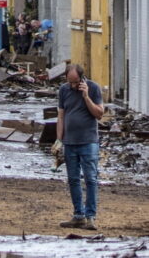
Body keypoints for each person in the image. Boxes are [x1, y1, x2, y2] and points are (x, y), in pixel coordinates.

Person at [53, 64, 104, 230]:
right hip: (70, 142)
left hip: (88, 141)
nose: (73, 86)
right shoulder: (64, 90)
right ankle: (78, 215)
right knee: (73, 179)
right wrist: (59, 140)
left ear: (82, 79)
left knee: (91, 179)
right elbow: (61, 116)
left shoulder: (93, 88)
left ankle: (90, 216)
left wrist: (86, 96)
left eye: (75, 82)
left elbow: (99, 114)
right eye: (70, 82)